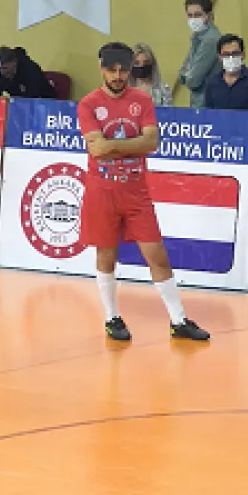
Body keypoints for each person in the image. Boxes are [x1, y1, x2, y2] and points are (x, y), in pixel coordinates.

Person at [76, 42, 210, 342]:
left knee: (157, 255)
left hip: (136, 192)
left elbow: (151, 143)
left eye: (124, 69)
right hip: (102, 191)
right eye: (112, 70)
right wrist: (128, 144)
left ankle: (178, 320)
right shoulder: (88, 104)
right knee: (106, 255)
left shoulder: (142, 101)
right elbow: (97, 149)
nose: (119, 75)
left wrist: (113, 146)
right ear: (102, 69)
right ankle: (111, 317)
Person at [204, 34, 248, 113]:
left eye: (235, 53)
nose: (231, 58)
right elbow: (208, 115)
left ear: (243, 55)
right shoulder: (212, 83)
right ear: (220, 57)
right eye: (226, 54)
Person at [178, 0, 222, 108]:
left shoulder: (210, 40)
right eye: (190, 15)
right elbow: (181, 75)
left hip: (208, 105)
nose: (193, 19)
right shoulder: (197, 37)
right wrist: (187, 73)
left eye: (198, 15)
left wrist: (188, 73)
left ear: (209, 15)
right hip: (199, 103)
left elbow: (193, 80)